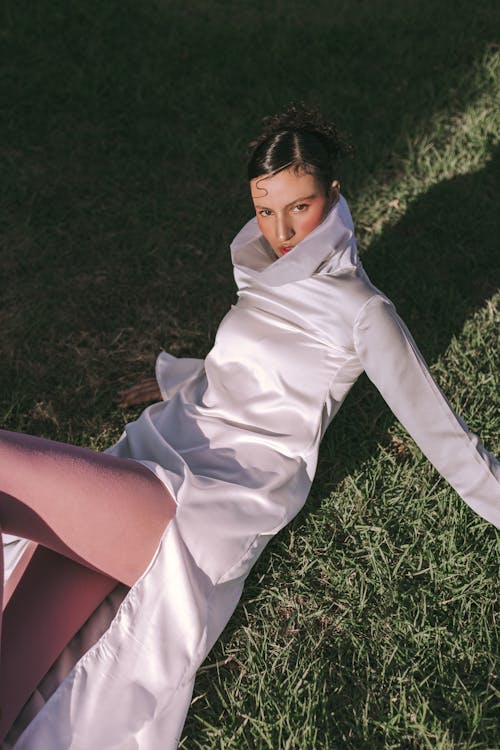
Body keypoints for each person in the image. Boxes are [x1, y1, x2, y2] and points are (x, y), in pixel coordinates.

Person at [1, 104, 499, 749]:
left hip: (208, 496)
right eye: (266, 210)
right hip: (163, 443)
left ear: (335, 193)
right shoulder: (261, 266)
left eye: (301, 206)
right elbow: (245, 365)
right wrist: (175, 377)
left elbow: (445, 435)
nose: (283, 229)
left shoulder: (362, 311)